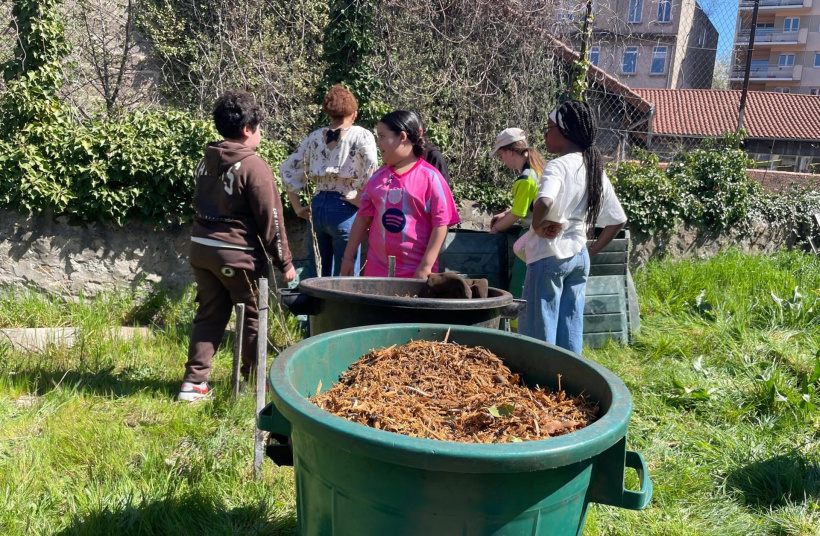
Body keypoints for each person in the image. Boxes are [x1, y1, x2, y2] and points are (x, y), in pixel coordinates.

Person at [179, 90, 296, 402]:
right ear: (247, 130)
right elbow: (272, 219)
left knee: (210, 313)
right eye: (259, 128)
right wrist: (284, 262)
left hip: (201, 248)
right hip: (237, 253)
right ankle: (254, 381)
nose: (260, 134)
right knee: (254, 314)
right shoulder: (254, 166)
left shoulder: (205, 162)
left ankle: (193, 384)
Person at [519, 100, 627, 354]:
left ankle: (541, 377)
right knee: (570, 329)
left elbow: (544, 201)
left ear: (565, 130)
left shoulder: (558, 166)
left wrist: (538, 225)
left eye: (549, 128)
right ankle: (568, 377)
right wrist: (590, 252)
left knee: (539, 334)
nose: (545, 135)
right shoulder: (594, 168)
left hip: (549, 255)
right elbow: (618, 220)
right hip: (579, 257)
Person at [340, 110, 460, 279]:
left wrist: (426, 266)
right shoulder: (376, 178)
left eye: (382, 136)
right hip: (377, 273)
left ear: (402, 137)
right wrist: (348, 257)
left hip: (416, 274)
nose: (378, 144)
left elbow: (442, 224)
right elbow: (362, 219)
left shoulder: (431, 178)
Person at [280, 85, 378, 278]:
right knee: (346, 278)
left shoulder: (314, 137)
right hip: (345, 206)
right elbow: (372, 164)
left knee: (318, 276)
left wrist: (297, 207)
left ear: (329, 114)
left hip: (317, 207)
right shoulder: (361, 135)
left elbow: (287, 168)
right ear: (354, 114)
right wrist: (359, 196)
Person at [488, 128, 545, 329]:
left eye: (501, 154)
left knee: (518, 288)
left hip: (530, 238)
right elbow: (524, 206)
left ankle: (517, 332)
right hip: (541, 237)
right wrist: (504, 213)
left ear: (511, 151)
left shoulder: (524, 179)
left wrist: (496, 229)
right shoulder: (537, 171)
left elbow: (517, 215)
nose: (502, 160)